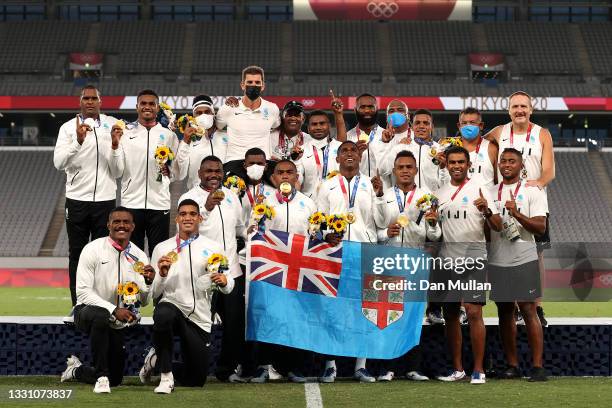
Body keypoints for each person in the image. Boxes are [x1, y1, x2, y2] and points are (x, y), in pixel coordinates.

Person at [139, 199, 234, 393]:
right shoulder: (162, 248)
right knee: (163, 313)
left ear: (199, 218)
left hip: (200, 316)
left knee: (195, 380)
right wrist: (162, 275)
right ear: (176, 219)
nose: (188, 218)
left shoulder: (214, 248)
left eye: (192, 214)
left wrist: (224, 282)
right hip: (172, 306)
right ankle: (165, 376)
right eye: (183, 214)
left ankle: (155, 359)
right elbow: (154, 295)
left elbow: (229, 284)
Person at [60, 207, 154, 393]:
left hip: (116, 320)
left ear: (133, 226)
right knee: (101, 315)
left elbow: (143, 301)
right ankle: (101, 377)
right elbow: (83, 293)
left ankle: (76, 371)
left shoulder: (139, 256)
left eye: (126, 222)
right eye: (117, 221)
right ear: (108, 225)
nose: (121, 225)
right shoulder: (92, 249)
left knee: (117, 379)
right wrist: (113, 309)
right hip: (87, 312)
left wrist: (149, 282)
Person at [485, 91, 555, 327]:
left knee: (537, 254)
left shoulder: (541, 134)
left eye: (524, 106)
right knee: (505, 251)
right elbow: (476, 145)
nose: (520, 110)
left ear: (531, 110)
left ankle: (537, 305)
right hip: (503, 200)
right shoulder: (498, 132)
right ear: (509, 110)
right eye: (515, 106)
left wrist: (537, 186)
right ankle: (513, 306)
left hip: (532, 203)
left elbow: (549, 171)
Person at [434, 146, 502, 385]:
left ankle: (479, 369)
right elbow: (435, 232)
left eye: (461, 162)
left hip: (474, 257)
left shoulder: (481, 188)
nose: (456, 166)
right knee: (450, 314)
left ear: (468, 164)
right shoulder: (439, 193)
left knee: (473, 312)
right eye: (452, 162)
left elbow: (498, 225)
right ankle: (458, 369)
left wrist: (487, 210)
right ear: (447, 164)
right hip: (447, 259)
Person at [53, 85, 123, 316]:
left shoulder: (112, 125)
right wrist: (78, 142)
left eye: (94, 98)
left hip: (105, 200)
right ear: (80, 102)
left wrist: (114, 145)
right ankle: (78, 305)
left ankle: (105, 306)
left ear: (101, 102)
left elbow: (118, 171)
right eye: (86, 98)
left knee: (105, 256)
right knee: (77, 253)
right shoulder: (67, 129)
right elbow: (59, 163)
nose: (91, 102)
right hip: (77, 200)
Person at [372, 150, 440, 382]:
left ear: (416, 170)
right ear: (394, 171)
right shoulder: (385, 195)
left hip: (415, 260)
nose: (404, 171)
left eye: (409, 167)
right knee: (389, 316)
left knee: (414, 317)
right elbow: (377, 226)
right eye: (400, 167)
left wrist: (432, 223)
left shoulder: (427, 196)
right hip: (389, 260)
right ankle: (388, 368)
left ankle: (412, 367)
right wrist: (384, 233)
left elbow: (434, 234)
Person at [248, 159, 317, 384]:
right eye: (280, 173)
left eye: (290, 172)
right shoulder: (263, 204)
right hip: (272, 269)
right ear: (274, 177)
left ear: (297, 177)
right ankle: (263, 366)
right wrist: (255, 221)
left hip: (299, 269)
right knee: (269, 317)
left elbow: (314, 237)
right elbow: (251, 234)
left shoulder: (308, 204)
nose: (285, 176)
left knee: (295, 318)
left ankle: (292, 367)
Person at [178, 156, 246, 382]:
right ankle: (195, 366)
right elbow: (186, 232)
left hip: (231, 272)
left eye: (218, 171)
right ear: (199, 173)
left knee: (234, 325)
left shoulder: (232, 197)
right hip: (202, 274)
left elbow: (239, 229)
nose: (214, 175)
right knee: (198, 323)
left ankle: (226, 371)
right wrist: (205, 208)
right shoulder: (189, 198)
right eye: (209, 171)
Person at [316, 141, 378, 383]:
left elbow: (380, 221)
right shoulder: (327, 185)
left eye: (354, 150)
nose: (350, 154)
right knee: (333, 310)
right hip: (335, 253)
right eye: (345, 151)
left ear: (360, 156)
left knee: (363, 309)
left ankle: (360, 365)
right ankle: (330, 365)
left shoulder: (371, 185)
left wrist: (381, 194)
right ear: (337, 157)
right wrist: (324, 234)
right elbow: (317, 220)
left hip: (364, 251)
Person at [487, 148, 548, 382]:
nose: (506, 164)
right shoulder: (491, 191)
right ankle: (512, 366)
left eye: (512, 161)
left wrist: (518, 214)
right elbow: (491, 227)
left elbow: (540, 227)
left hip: (524, 258)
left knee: (528, 309)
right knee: (504, 312)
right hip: (498, 259)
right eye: (503, 161)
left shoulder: (533, 191)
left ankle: (537, 366)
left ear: (521, 166)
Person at [111, 89, 180, 257]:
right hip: (131, 205)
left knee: (159, 255)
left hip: (160, 205)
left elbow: (177, 173)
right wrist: (114, 146)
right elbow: (116, 170)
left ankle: (157, 285)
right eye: (143, 103)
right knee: (133, 256)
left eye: (151, 104)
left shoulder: (169, 136)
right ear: (137, 107)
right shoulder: (126, 134)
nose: (147, 107)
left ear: (158, 108)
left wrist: (169, 170)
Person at [216, 65, 280, 174]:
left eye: (257, 82)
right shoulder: (227, 108)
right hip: (235, 162)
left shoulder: (272, 109)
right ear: (242, 85)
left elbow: (277, 126)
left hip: (263, 163)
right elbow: (217, 126)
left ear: (263, 86)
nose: (253, 85)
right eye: (249, 82)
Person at [176, 94, 228, 190]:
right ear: (193, 116)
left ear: (213, 113)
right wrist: (185, 141)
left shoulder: (226, 136)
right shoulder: (188, 141)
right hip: (197, 195)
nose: (203, 115)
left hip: (224, 193)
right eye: (199, 113)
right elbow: (180, 174)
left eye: (207, 112)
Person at [296, 110, 343, 199]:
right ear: (308, 128)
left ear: (329, 126)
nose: (318, 127)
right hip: (311, 203)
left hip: (336, 201)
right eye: (314, 124)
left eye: (322, 123)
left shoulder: (341, 148)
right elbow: (297, 179)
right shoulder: (301, 151)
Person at [346, 93, 386, 179]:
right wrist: (353, 154)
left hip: (384, 190)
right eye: (362, 107)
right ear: (355, 110)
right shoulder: (347, 138)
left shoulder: (387, 136)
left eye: (371, 107)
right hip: (358, 190)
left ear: (377, 109)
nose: (367, 110)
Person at [457, 107, 497, 187]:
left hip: (486, 198)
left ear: (481, 125)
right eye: (464, 123)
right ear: (459, 126)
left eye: (472, 123)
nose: (468, 126)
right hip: (456, 198)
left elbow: (499, 180)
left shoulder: (491, 149)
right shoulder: (450, 147)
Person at [379, 99, 411, 189]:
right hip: (390, 196)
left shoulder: (416, 138)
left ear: (408, 116)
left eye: (400, 110)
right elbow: (383, 171)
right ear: (387, 117)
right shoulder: (380, 140)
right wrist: (398, 147)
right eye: (391, 111)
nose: (395, 113)